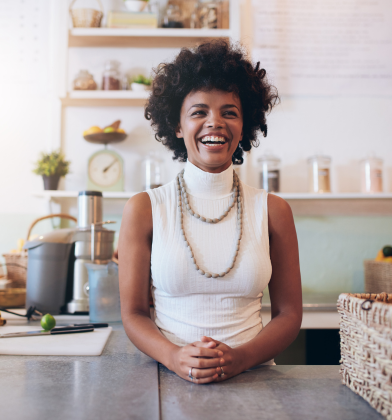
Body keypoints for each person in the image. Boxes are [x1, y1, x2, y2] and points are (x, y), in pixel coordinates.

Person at [118, 41, 302, 384]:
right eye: (199, 112)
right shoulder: (145, 209)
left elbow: (289, 315)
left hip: (254, 382)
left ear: (245, 124)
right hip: (168, 382)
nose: (214, 122)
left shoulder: (273, 210)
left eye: (229, 112)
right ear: (177, 125)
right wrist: (174, 356)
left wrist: (241, 358)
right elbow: (133, 314)